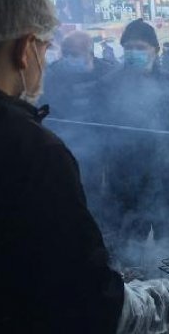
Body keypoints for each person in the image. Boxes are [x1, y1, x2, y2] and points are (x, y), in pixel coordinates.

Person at [0, 0, 169, 332]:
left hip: (165, 185)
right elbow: (89, 301)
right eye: (46, 49)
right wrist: (166, 307)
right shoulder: (35, 152)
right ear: (25, 49)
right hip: (126, 188)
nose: (47, 63)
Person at [100, 18, 169, 273]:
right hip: (127, 185)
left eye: (140, 47)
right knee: (130, 254)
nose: (133, 53)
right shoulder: (110, 84)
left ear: (155, 50)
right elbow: (102, 135)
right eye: (128, 47)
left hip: (167, 181)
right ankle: (136, 300)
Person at [40, 30, 115, 225]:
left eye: (75, 54)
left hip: (103, 147)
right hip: (67, 144)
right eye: (67, 54)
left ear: (89, 51)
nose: (70, 59)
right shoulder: (53, 74)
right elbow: (44, 106)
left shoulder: (108, 72)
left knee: (100, 196)